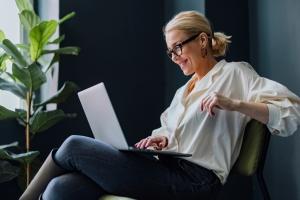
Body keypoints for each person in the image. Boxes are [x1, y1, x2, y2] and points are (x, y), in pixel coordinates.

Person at [19, 10, 300, 200]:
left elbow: (290, 112)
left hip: (197, 181)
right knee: (60, 188)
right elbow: (171, 132)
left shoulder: (235, 74)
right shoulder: (183, 92)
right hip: (166, 169)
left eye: (179, 47)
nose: (175, 56)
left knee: (72, 146)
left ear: (202, 40)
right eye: (170, 51)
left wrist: (235, 103)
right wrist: (160, 139)